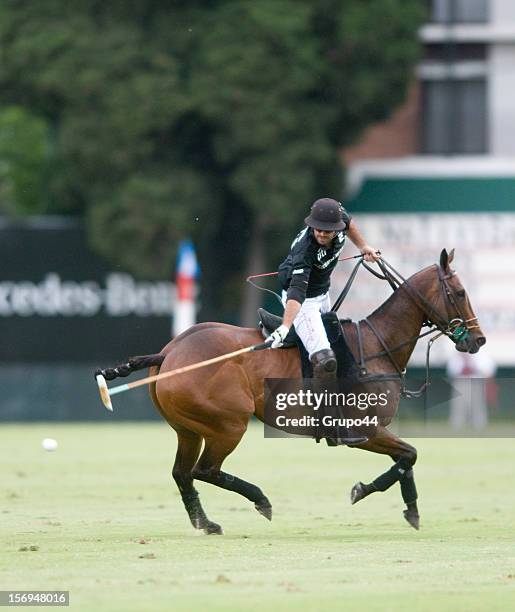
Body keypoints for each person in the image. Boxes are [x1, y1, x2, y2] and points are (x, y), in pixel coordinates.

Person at [267, 197, 380, 378]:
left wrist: (363, 246)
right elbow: (296, 293)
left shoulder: (340, 218)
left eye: (327, 231)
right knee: (325, 360)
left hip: (322, 292)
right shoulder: (304, 251)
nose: (321, 234)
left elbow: (349, 223)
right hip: (302, 300)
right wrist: (285, 326)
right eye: (318, 229)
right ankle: (321, 405)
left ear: (336, 228)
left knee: (335, 343)